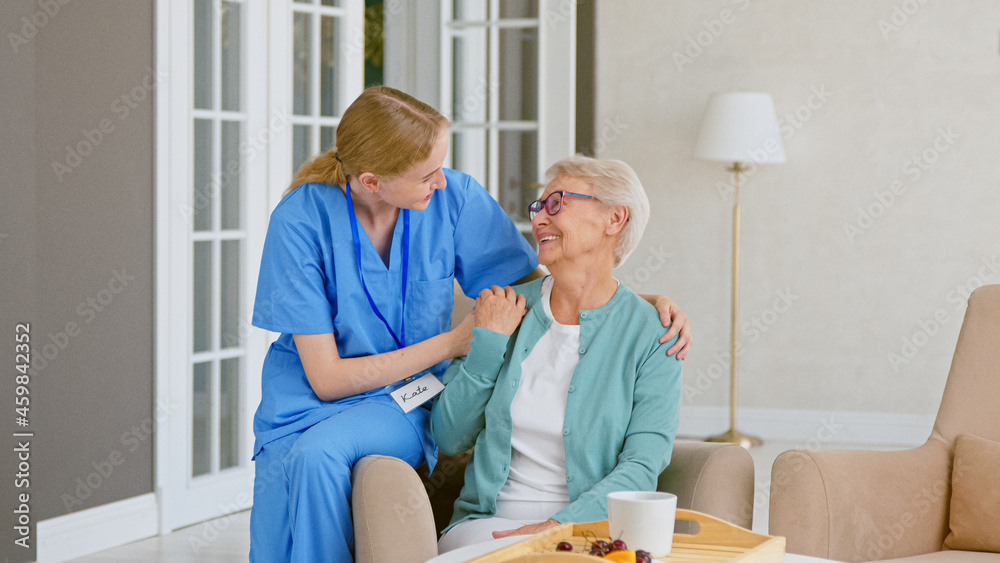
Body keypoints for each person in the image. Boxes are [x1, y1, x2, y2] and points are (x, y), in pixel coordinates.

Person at [249, 86, 691, 562]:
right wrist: (456, 343)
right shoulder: (300, 221)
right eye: (426, 174)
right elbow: (327, 378)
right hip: (309, 395)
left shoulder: (453, 199)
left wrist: (633, 306)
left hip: (399, 399)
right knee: (284, 501)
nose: (442, 181)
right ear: (373, 181)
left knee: (317, 457)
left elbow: (541, 282)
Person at [431, 155, 683, 551]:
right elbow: (449, 435)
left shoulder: (654, 335)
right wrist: (488, 347)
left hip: (591, 531)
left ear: (614, 219)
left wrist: (557, 527)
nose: (538, 220)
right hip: (488, 526)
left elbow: (642, 465)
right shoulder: (503, 309)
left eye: (556, 203)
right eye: (537, 207)